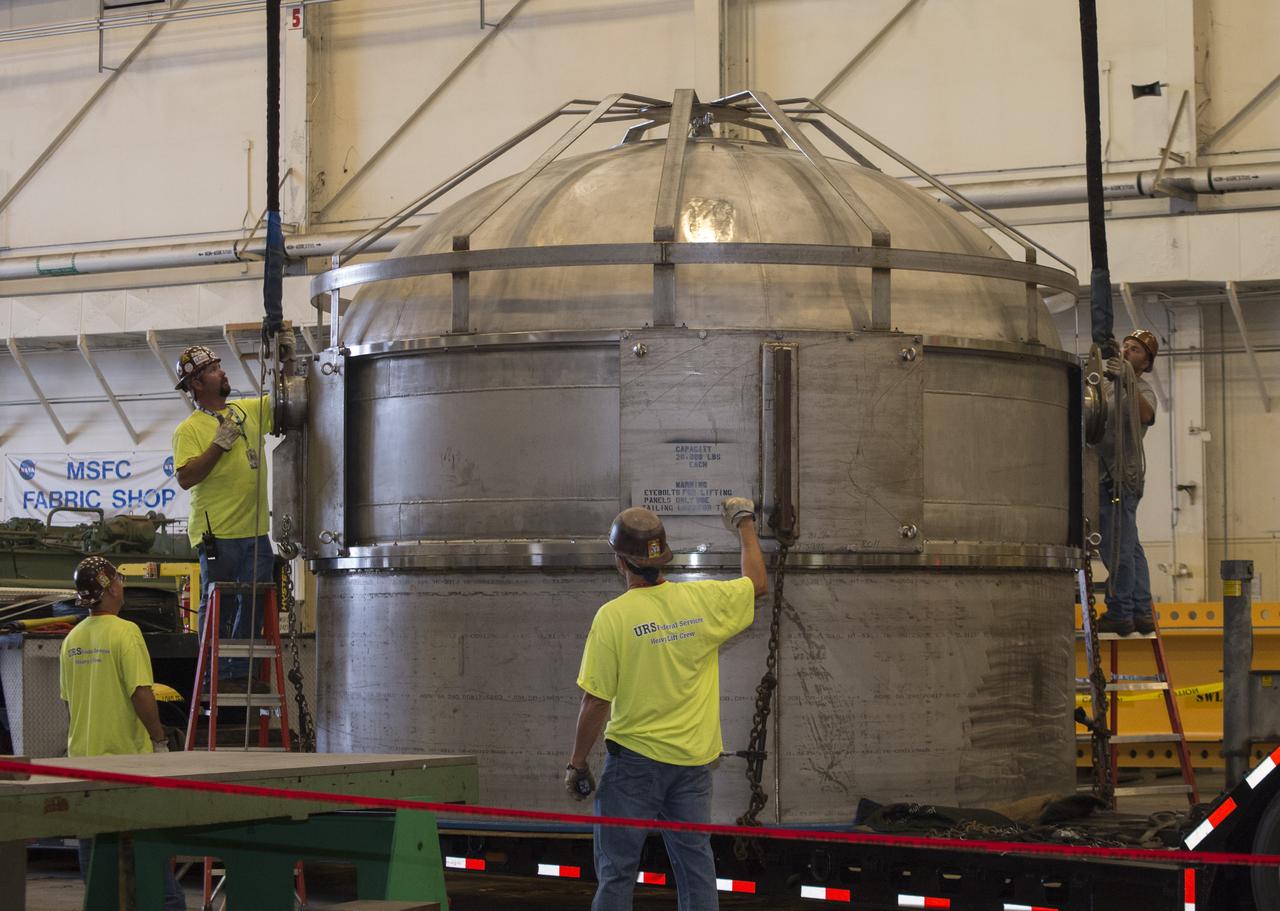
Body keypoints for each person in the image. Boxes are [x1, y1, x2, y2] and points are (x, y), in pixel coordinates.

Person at [566, 498, 768, 911]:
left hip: (634, 767)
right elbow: (757, 583)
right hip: (692, 767)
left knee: (617, 873)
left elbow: (596, 702)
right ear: (663, 560)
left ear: (620, 561)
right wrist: (745, 523)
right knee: (696, 871)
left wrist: (577, 764)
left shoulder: (613, 618)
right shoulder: (702, 603)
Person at [60, 556, 185, 911]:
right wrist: (159, 740)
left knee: (97, 873)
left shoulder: (72, 640)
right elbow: (141, 693)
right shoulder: (126, 632)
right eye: (118, 579)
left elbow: (70, 704)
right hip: (128, 766)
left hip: (82, 766)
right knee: (156, 879)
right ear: (112, 587)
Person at [171, 345, 274, 689]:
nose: (223, 372)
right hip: (219, 535)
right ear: (197, 384)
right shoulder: (189, 430)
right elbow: (186, 478)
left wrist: (285, 360)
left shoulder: (247, 411)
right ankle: (213, 676)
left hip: (256, 531)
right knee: (221, 605)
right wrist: (218, 445)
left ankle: (239, 672)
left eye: (219, 366)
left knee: (254, 601)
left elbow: (287, 401)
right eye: (214, 369)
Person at [1097, 329, 1160, 636]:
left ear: (1145, 363)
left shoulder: (1143, 389)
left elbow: (1146, 415)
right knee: (1131, 546)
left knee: (1116, 547)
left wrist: (1128, 381)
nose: (1126, 351)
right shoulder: (1108, 388)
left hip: (1121, 478)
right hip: (1105, 473)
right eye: (1125, 346)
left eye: (1135, 350)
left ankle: (1121, 610)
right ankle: (1141, 609)